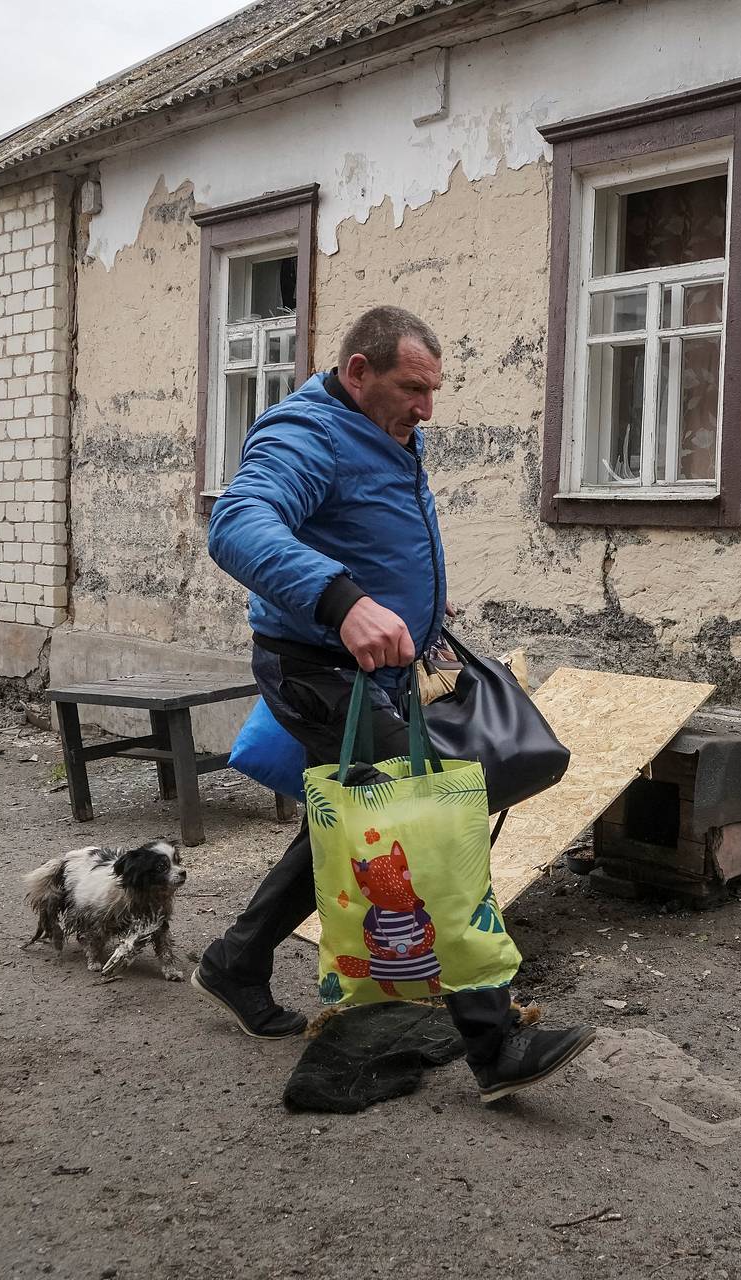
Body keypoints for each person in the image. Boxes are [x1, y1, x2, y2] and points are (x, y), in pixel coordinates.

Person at [191, 305, 594, 1102]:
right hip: (320, 671)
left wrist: (422, 618)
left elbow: (375, 528)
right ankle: (494, 1041)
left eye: (434, 390)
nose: (426, 408)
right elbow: (237, 522)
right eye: (412, 388)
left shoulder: (391, 432)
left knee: (351, 829)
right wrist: (343, 599)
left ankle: (234, 962)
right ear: (356, 372)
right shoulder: (303, 433)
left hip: (379, 669)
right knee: (423, 823)